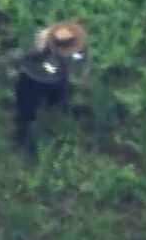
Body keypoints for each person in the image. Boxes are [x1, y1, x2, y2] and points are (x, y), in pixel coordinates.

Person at [5, 20, 90, 148]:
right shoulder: (38, 47)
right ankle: (21, 135)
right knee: (26, 109)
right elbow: (18, 57)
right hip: (32, 79)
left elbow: (81, 60)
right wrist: (13, 68)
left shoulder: (75, 44)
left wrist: (82, 73)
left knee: (58, 100)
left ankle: (53, 119)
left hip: (59, 79)